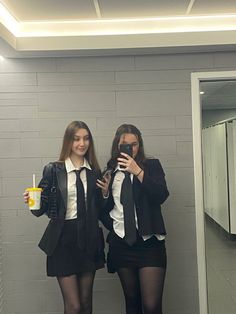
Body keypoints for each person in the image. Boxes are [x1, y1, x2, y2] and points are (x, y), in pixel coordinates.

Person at [23, 121, 105, 314]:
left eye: (86, 138)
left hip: (88, 238)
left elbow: (102, 210)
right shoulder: (53, 170)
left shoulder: (95, 172)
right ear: (68, 141)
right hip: (62, 240)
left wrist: (106, 194)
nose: (81, 143)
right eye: (76, 139)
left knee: (86, 304)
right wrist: (31, 200)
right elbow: (39, 210)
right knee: (74, 306)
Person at [97, 124, 169, 314]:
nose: (130, 148)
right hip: (121, 244)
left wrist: (137, 171)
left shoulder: (152, 166)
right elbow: (103, 213)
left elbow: (160, 195)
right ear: (117, 146)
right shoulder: (110, 172)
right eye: (125, 144)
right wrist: (105, 195)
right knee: (132, 302)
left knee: (152, 306)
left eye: (134, 144)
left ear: (140, 145)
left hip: (150, 244)